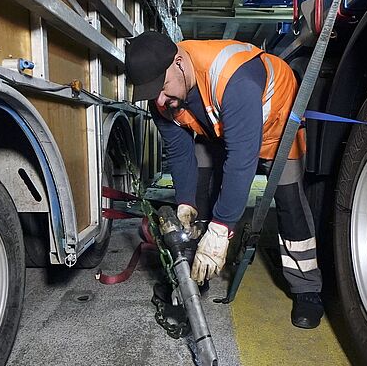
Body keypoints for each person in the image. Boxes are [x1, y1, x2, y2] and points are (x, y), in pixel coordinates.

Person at [124, 31, 324, 329]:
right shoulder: (163, 97)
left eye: (163, 88)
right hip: (215, 123)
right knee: (199, 195)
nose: (160, 100)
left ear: (179, 63)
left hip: (276, 120)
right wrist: (186, 203)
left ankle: (306, 289)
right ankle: (196, 276)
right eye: (152, 93)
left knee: (288, 199)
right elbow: (179, 153)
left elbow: (241, 160)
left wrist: (222, 228)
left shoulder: (234, 77)